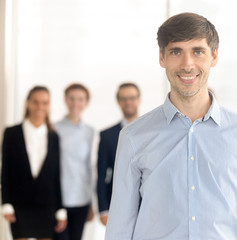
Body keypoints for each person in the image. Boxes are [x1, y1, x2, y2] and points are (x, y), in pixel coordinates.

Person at [105, 12, 237, 239]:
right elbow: (119, 228)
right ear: (162, 58)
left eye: (197, 51)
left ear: (213, 56)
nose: (187, 64)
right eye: (176, 51)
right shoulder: (134, 137)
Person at [1, 86, 67, 240]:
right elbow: (5, 171)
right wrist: (6, 203)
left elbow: (56, 175)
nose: (40, 107)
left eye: (45, 103)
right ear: (27, 103)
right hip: (20, 204)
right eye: (36, 102)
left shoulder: (54, 137)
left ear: (49, 106)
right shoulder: (11, 133)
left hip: (46, 204)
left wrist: (60, 209)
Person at [53, 83, 94, 240]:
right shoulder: (54, 129)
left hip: (82, 199)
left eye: (80, 99)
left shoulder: (89, 132)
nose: (75, 103)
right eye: (71, 98)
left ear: (86, 102)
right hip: (59, 199)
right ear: (65, 100)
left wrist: (91, 202)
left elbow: (89, 168)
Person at [97, 82, 141, 225]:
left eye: (132, 98)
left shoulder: (153, 132)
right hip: (117, 203)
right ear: (118, 101)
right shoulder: (107, 135)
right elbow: (101, 174)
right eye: (123, 99)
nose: (128, 102)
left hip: (148, 203)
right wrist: (103, 209)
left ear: (138, 99)